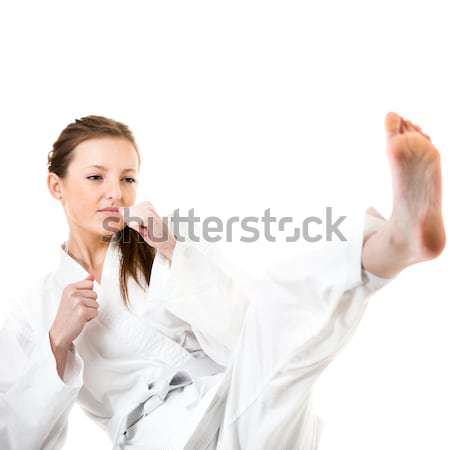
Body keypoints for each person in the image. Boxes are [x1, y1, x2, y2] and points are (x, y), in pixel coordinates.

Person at [0, 112, 445, 450]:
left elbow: (247, 329)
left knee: (277, 307)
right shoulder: (34, 308)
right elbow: (16, 437)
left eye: (128, 178)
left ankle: (391, 245)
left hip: (239, 401)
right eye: (95, 177)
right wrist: (57, 343)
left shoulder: (161, 243)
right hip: (162, 439)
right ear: (56, 186)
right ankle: (386, 247)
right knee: (276, 339)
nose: (115, 192)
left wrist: (177, 251)